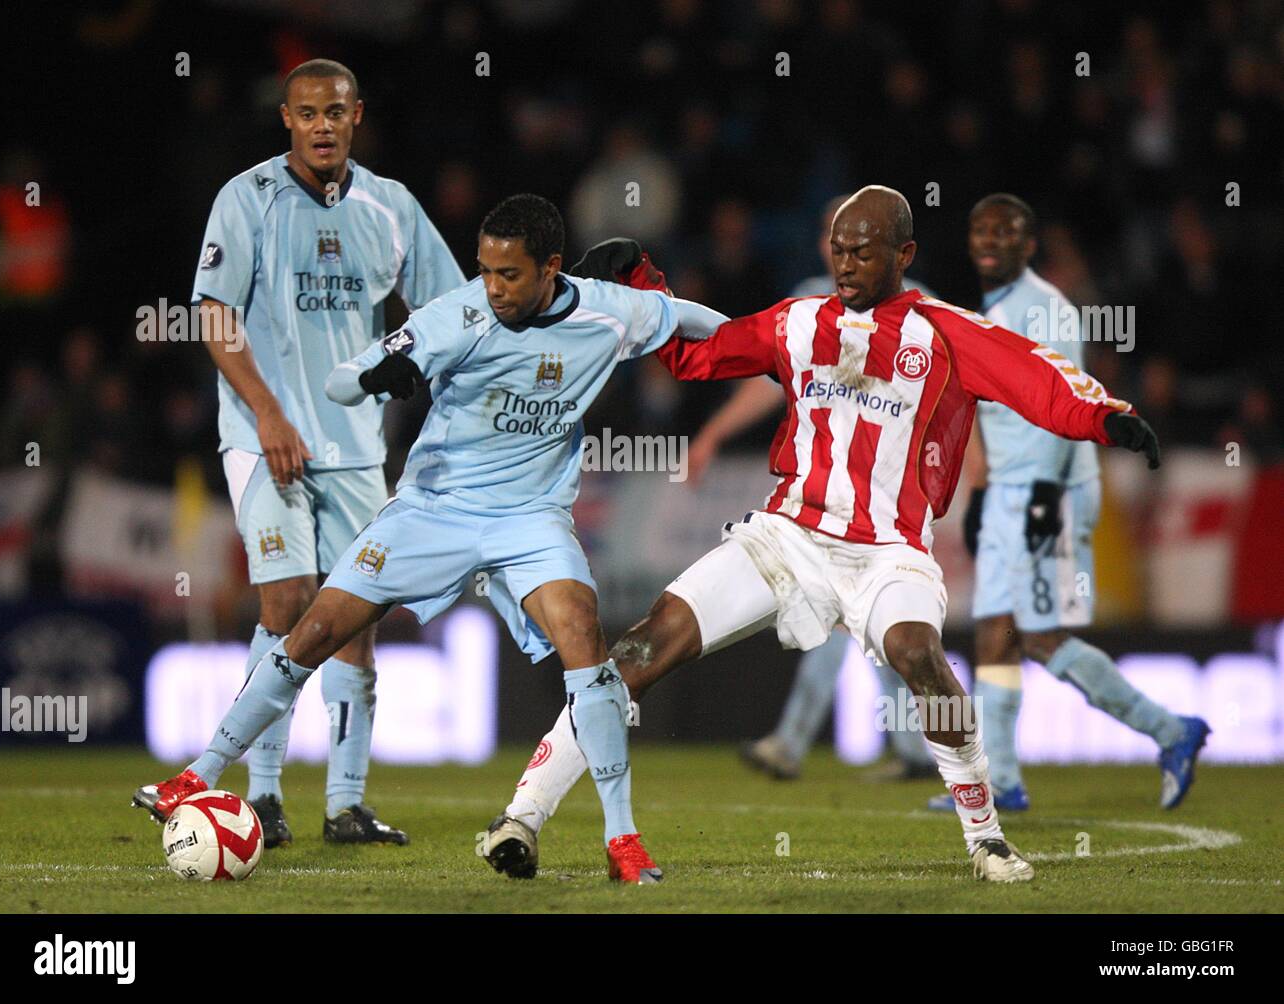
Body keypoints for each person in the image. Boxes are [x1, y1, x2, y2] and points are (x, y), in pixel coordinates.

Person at [488, 186, 1163, 884]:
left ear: (903, 254)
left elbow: (1034, 376)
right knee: (641, 646)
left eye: (863, 252)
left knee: (919, 655)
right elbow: (702, 355)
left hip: (889, 552)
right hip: (788, 537)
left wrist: (1106, 417)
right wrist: (643, 283)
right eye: (838, 250)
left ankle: (986, 836)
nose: (845, 265)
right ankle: (522, 816)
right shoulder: (798, 320)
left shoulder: (944, 331)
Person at [135, 194, 731, 883]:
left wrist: (767, 347)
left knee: (583, 636)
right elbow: (340, 382)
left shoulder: (606, 308)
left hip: (529, 517)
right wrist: (378, 376)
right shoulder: (458, 315)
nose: (493, 287)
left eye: (510, 274)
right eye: (485, 270)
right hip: (433, 510)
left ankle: (622, 840)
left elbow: (691, 320)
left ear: (551, 269)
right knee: (314, 632)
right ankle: (199, 772)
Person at [189, 59, 464, 845]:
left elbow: (448, 310)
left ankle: (345, 805)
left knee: (352, 620)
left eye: (333, 113)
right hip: (262, 436)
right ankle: (263, 796)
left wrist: (421, 363)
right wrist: (270, 413)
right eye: (305, 113)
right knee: (286, 603)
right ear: (286, 119)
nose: (320, 126)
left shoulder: (392, 207)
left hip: (353, 446)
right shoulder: (247, 199)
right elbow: (213, 318)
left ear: (356, 117)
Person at [927, 193, 1209, 814]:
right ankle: (1000, 779)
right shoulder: (992, 311)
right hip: (1011, 489)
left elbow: (1067, 399)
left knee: (1040, 637)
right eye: (981, 231)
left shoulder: (1045, 309)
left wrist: (1043, 496)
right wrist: (983, 495)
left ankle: (1170, 730)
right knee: (995, 635)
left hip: (1044, 489)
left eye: (1006, 232)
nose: (990, 241)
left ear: (1029, 246)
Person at [687, 192, 935, 782]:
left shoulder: (922, 313)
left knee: (867, 624)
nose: (843, 254)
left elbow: (957, 392)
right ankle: (897, 751)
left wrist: (965, 476)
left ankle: (815, 745)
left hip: (888, 502)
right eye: (834, 238)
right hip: (826, 499)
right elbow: (767, 383)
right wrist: (713, 432)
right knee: (851, 622)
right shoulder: (810, 306)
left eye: (855, 240)